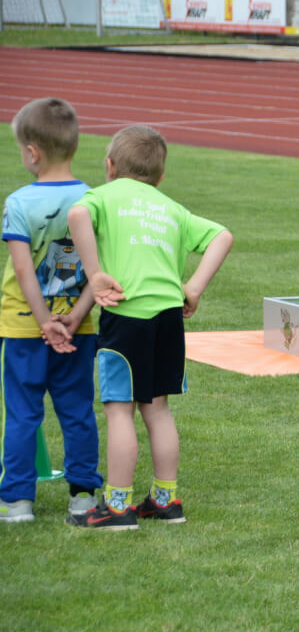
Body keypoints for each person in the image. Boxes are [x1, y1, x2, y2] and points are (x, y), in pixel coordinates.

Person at [66, 125, 233, 530]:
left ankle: (117, 507)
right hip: (168, 317)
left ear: (109, 166)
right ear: (160, 177)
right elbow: (222, 236)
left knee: (119, 409)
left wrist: (96, 272)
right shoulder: (171, 207)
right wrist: (192, 287)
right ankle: (165, 499)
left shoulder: (103, 196)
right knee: (157, 408)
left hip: (128, 315)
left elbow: (77, 213)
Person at [0, 97, 103, 523]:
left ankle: (18, 502)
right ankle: (83, 495)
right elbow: (101, 271)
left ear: (32, 152)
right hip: (79, 327)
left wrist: (44, 322)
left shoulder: (19, 203)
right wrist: (76, 317)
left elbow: (23, 270)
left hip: (25, 328)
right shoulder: (94, 199)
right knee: (78, 410)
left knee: (23, 413)